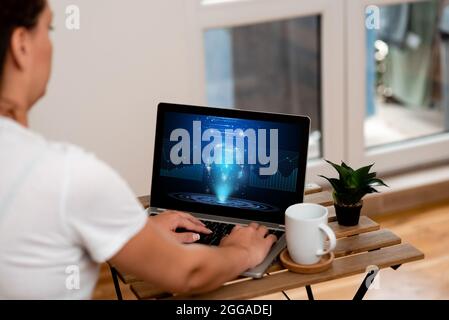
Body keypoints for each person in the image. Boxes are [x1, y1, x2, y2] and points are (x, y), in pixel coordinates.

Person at [0, 0, 276, 299]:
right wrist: (241, 252)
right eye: (48, 28)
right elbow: (189, 273)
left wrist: (137, 231)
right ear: (21, 45)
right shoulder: (67, 175)